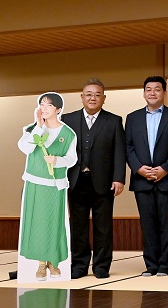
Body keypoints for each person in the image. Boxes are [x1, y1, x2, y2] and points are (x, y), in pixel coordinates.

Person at [63, 79, 126, 279]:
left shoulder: (114, 121)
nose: (93, 98)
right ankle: (79, 265)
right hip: (75, 180)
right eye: (88, 94)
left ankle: (101, 267)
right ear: (81, 97)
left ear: (104, 98)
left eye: (97, 94)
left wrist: (119, 178)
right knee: (78, 226)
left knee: (103, 227)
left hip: (104, 182)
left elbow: (119, 152)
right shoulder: (68, 120)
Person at [125, 76, 168, 277]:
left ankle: (165, 264)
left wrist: (165, 168)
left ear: (164, 93)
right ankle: (150, 264)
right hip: (141, 179)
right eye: (148, 89)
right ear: (143, 93)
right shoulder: (132, 118)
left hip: (166, 178)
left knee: (166, 223)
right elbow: (128, 147)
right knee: (147, 223)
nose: (152, 93)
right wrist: (139, 168)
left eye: (157, 89)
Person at [17, 92, 77, 281]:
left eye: (48, 105)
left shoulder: (68, 134)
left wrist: (57, 160)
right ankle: (41, 263)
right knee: (36, 222)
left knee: (54, 222)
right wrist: (39, 127)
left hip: (55, 185)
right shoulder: (32, 129)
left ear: (58, 110)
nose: (43, 108)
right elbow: (25, 148)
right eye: (41, 104)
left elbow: (72, 159)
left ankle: (54, 261)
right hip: (34, 183)